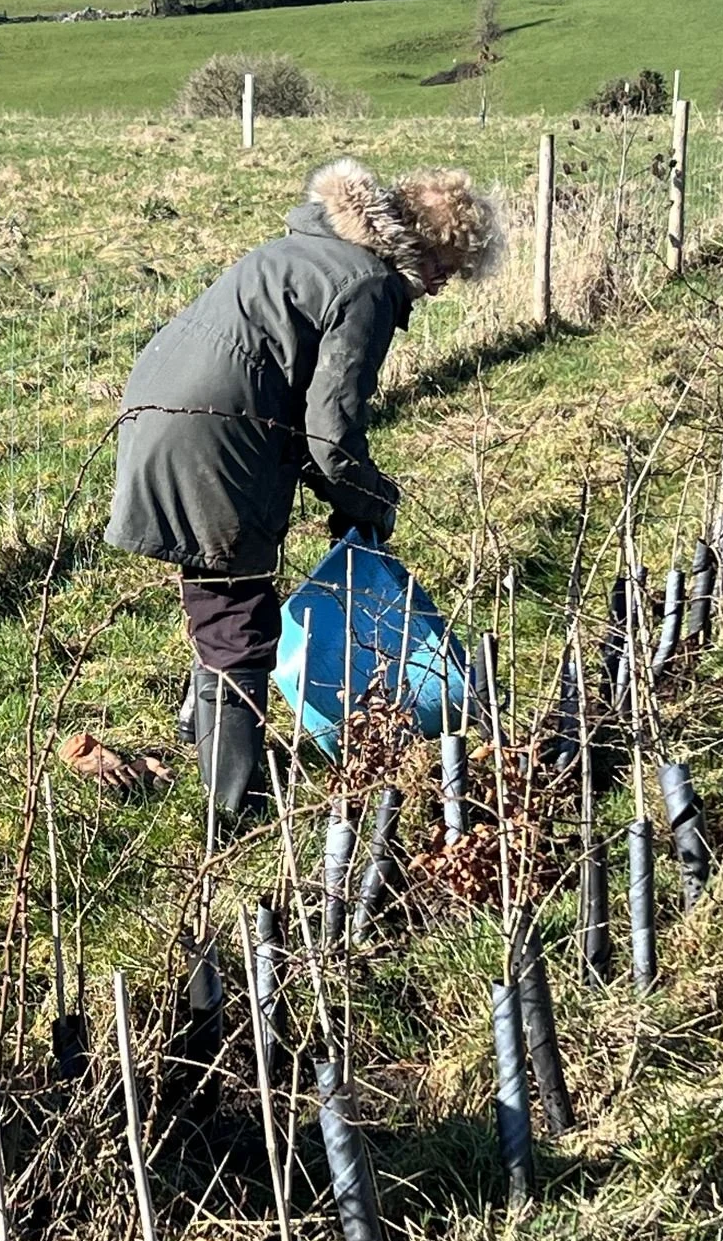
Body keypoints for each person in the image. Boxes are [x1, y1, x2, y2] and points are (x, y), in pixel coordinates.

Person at [106, 157, 502, 819]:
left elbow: (308, 412)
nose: (440, 286)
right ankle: (231, 811)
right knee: (237, 619)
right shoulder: (368, 285)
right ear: (420, 245)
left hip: (163, 406)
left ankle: (200, 730)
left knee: (219, 597)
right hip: (214, 433)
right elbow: (332, 435)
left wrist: (344, 494)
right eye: (444, 267)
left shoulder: (312, 247)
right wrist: (372, 503)